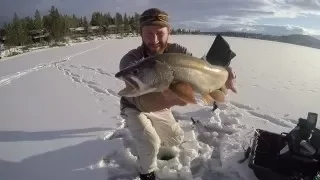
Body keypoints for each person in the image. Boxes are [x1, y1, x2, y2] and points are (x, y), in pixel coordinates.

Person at [118, 8, 237, 180]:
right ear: (140, 33)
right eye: (149, 34)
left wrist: (224, 72)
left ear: (169, 32)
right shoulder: (131, 60)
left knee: (175, 139)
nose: (154, 40)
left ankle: (150, 129)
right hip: (134, 105)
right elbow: (142, 96)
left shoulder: (177, 51)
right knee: (150, 143)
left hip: (162, 106)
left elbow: (200, 70)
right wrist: (177, 96)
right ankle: (146, 172)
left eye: (160, 33)